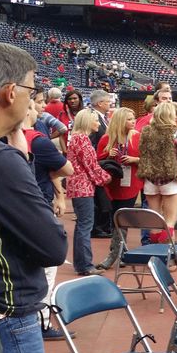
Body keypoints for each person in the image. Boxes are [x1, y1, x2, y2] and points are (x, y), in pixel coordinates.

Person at [0, 43, 68, 353]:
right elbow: (52, 246)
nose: (32, 99)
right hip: (7, 319)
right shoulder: (3, 161)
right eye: (30, 90)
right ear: (10, 93)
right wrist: (21, 162)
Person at [22, 96, 72, 340]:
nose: (40, 109)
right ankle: (41, 323)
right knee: (46, 271)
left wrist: (60, 195)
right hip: (36, 209)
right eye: (35, 105)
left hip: (17, 210)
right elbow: (67, 169)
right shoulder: (38, 140)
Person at [95, 107, 143, 269]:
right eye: (129, 119)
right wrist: (108, 154)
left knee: (122, 218)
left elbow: (146, 158)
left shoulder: (137, 137)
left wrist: (135, 159)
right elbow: (97, 160)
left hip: (131, 183)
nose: (133, 121)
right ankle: (121, 252)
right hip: (112, 183)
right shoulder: (106, 138)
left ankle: (115, 253)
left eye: (133, 118)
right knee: (114, 218)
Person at [67, 109, 111, 275]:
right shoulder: (82, 139)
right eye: (96, 120)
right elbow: (91, 166)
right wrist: (106, 178)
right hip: (83, 186)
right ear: (87, 121)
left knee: (82, 225)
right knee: (85, 225)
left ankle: (82, 263)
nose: (98, 123)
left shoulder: (76, 138)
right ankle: (85, 265)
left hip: (78, 185)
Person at [139, 102, 177, 239]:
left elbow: (142, 153)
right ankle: (168, 250)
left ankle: (154, 248)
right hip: (170, 178)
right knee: (170, 220)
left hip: (150, 178)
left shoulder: (146, 131)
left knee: (155, 221)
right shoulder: (175, 132)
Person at [88, 90, 113, 238]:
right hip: (98, 162)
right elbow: (93, 142)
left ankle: (102, 226)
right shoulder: (93, 118)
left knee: (102, 198)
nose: (110, 104)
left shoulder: (103, 118)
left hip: (102, 162)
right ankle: (97, 227)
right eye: (108, 101)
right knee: (98, 198)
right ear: (100, 103)